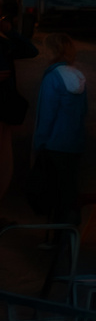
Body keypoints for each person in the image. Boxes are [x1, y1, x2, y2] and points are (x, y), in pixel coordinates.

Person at [33, 33, 88, 224]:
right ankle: (71, 236)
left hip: (54, 144)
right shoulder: (78, 76)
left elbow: (47, 114)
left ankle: (58, 239)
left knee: (53, 191)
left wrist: (39, 142)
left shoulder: (52, 78)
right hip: (74, 144)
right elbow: (83, 113)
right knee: (69, 190)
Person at [0, 15, 38, 205]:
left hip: (5, 111)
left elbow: (31, 51)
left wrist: (10, 32)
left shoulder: (3, 43)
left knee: (5, 163)